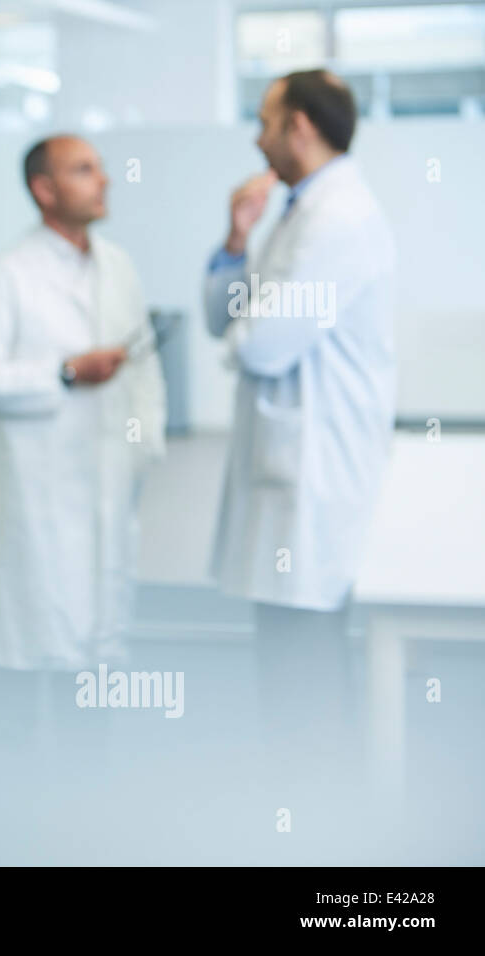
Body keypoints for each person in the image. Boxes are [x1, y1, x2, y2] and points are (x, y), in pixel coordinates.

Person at [203, 70, 396, 786]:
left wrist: (247, 330)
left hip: (315, 472)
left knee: (303, 664)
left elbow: (259, 345)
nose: (256, 138)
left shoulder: (337, 219)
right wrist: (234, 240)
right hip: (288, 469)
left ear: (301, 127)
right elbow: (226, 319)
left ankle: (315, 825)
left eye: (264, 120)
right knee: (288, 654)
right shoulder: (297, 212)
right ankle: (302, 809)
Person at [0, 135, 167, 751]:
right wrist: (64, 373)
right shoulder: (5, 275)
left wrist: (145, 445)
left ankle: (86, 796)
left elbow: (145, 364)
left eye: (101, 169)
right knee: (31, 634)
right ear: (43, 190)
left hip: (108, 476)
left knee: (97, 645)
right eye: (83, 171)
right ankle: (17, 800)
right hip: (40, 492)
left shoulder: (118, 265)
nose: (103, 181)